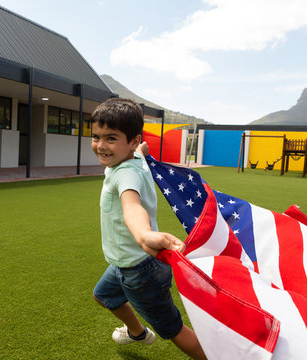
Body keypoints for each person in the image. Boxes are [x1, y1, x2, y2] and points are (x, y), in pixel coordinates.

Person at [91, 98, 206, 360]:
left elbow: (132, 206)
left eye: (111, 138)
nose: (100, 145)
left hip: (140, 272)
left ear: (131, 141)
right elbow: (142, 151)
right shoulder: (134, 158)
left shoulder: (125, 175)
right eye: (96, 136)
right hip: (126, 265)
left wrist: (143, 234)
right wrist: (141, 147)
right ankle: (137, 332)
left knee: (174, 330)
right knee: (103, 295)